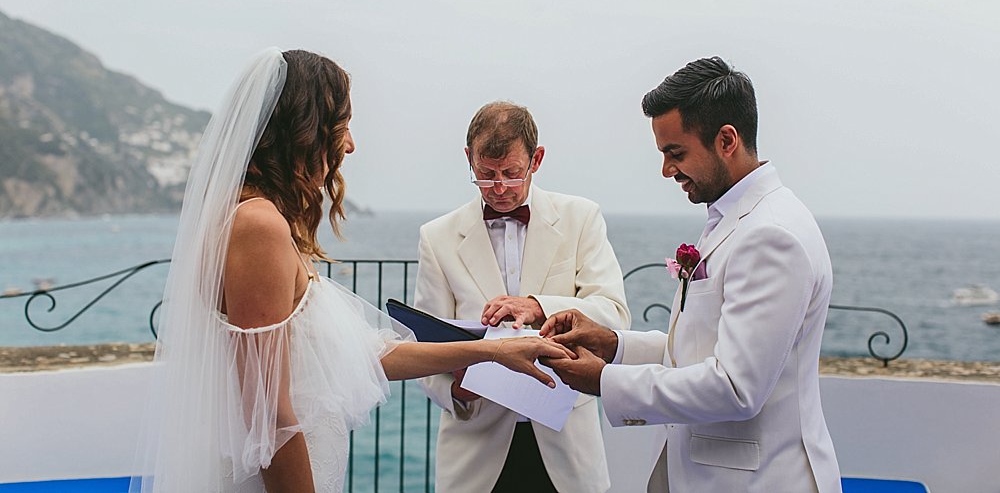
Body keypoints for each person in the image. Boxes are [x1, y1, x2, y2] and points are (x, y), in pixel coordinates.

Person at [129, 50, 571, 493]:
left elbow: (373, 354)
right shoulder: (257, 225)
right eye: (342, 125)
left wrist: (491, 351)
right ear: (305, 131)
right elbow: (268, 418)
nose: (351, 143)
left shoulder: (256, 218)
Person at [541, 57, 842, 492]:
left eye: (675, 153)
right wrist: (612, 345)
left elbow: (735, 387)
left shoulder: (772, 235)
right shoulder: (736, 218)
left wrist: (603, 380)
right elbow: (702, 349)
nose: (666, 169)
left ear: (726, 140)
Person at [413, 101, 631, 493]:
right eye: (485, 175)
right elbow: (425, 347)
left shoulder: (581, 218)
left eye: (512, 174)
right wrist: (457, 388)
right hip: (475, 453)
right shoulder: (437, 237)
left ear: (537, 159)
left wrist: (538, 305)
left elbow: (614, 316)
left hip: (567, 448)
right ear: (468, 159)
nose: (498, 188)